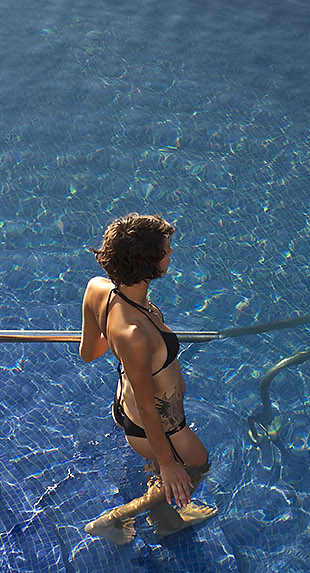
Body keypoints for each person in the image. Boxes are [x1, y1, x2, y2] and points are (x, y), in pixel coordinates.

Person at [79, 212, 216, 542]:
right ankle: (113, 521)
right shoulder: (133, 333)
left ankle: (164, 517)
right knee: (197, 466)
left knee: (170, 467)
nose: (171, 253)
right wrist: (169, 463)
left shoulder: (98, 290)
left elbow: (88, 351)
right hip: (156, 423)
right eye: (166, 250)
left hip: (127, 403)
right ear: (148, 264)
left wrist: (120, 345)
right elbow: (147, 405)